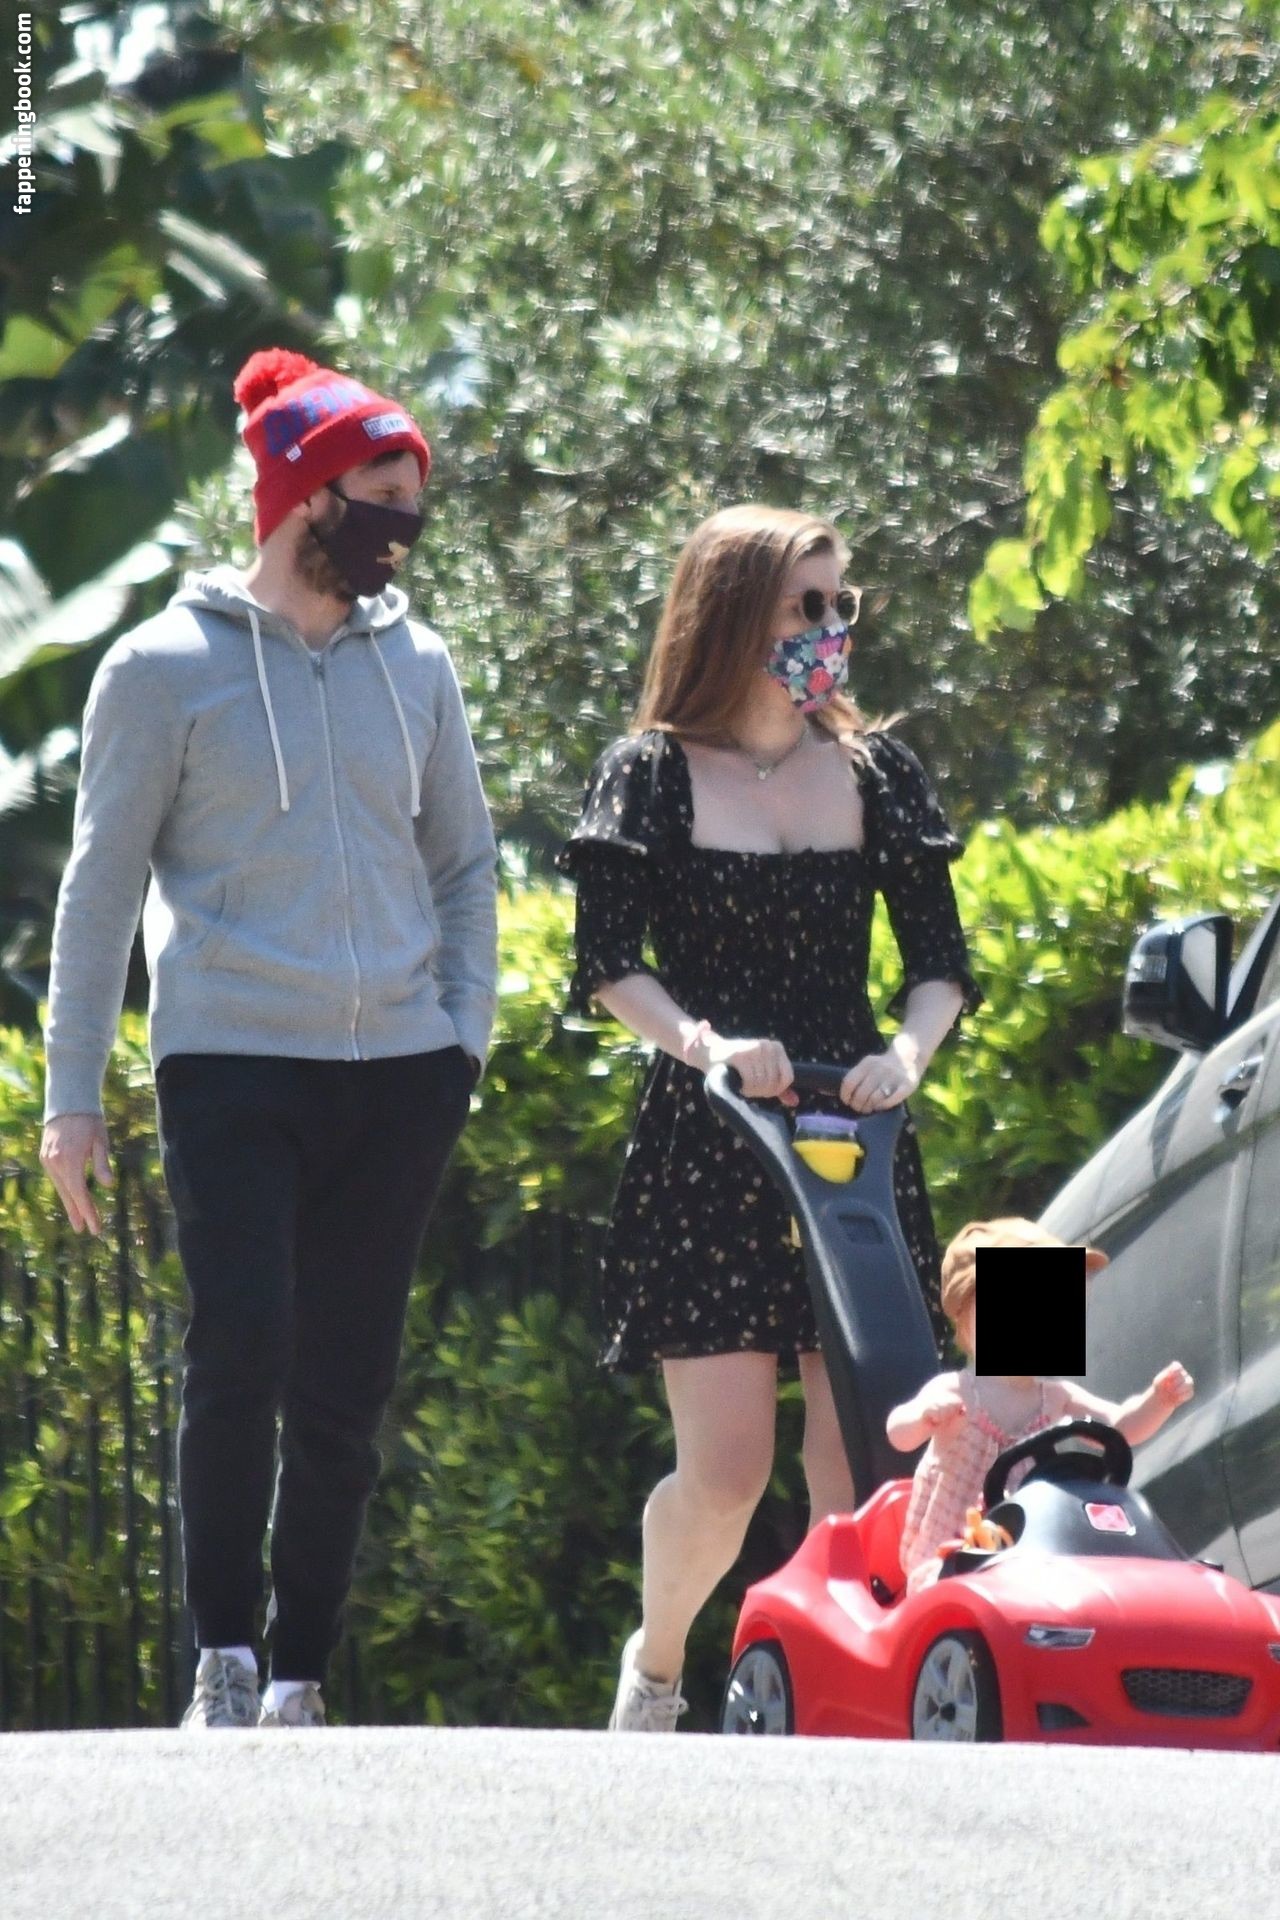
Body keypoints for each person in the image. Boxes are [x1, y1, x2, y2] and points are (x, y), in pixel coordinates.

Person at [39, 349, 498, 1730]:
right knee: (241, 1347)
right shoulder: (159, 668)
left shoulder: (418, 663)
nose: (402, 526)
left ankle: (301, 1674)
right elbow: (99, 889)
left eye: (413, 499)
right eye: (382, 495)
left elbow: (464, 864)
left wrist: (460, 1040)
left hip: (398, 1074)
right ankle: (224, 1657)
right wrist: (71, 1096)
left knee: (348, 1385)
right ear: (305, 495)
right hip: (230, 1062)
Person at [555, 503, 983, 1731]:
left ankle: (844, 1693)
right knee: (727, 1473)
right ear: (736, 613)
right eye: (807, 605)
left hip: (853, 1138)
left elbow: (939, 965)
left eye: (840, 603)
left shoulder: (877, 773)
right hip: (713, 1138)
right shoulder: (649, 773)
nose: (829, 625)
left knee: (861, 1457)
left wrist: (905, 1054)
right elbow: (607, 965)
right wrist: (706, 1047)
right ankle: (655, 1667)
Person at [887, 1217, 1195, 1594]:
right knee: (966, 1589)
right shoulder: (958, 1392)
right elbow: (899, 1434)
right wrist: (924, 1417)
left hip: (1032, 1553)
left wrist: (1159, 1401)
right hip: (953, 1558)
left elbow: (1120, 1428)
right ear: (967, 1322)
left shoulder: (1056, 1397)